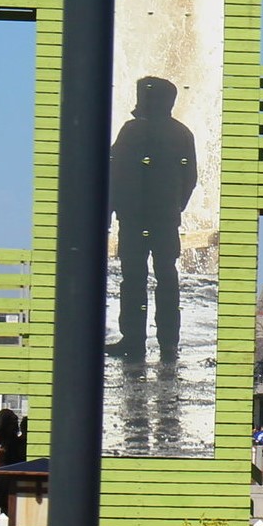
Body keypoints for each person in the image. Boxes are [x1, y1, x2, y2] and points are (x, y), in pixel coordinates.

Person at [107, 76, 197, 361]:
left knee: (133, 279)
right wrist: (175, 208)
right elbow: (190, 178)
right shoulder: (181, 133)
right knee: (166, 277)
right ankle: (168, 342)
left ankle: (133, 340)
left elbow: (114, 175)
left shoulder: (131, 131)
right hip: (163, 219)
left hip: (134, 219)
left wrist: (110, 212)